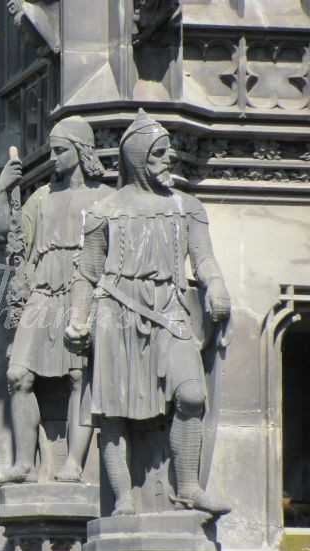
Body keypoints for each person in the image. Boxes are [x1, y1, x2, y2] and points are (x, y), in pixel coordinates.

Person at [65, 110, 231, 515]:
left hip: (171, 311)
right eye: (159, 153)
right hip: (116, 314)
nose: (168, 159)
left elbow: (203, 258)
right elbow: (87, 272)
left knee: (191, 394)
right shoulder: (104, 210)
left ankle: (188, 488)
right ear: (137, 157)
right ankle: (123, 498)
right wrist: (77, 319)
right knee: (112, 414)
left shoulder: (187, 207)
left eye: (168, 152)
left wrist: (216, 284)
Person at [0, 116, 112, 484]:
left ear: (81, 151)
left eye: (61, 150)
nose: (53, 158)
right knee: (18, 375)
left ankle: (73, 464)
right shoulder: (40, 198)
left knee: (79, 376)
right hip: (42, 294)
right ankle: (24, 464)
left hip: (81, 292)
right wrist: (3, 190)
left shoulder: (105, 197)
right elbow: (7, 232)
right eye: (52, 150)